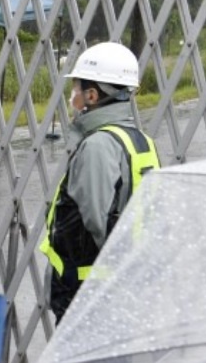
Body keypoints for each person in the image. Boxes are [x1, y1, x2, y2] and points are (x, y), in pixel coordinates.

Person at [41, 42, 160, 322]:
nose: (72, 96)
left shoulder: (98, 146)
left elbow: (98, 222)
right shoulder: (140, 141)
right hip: (125, 285)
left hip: (90, 292)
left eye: (76, 89)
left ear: (92, 95)